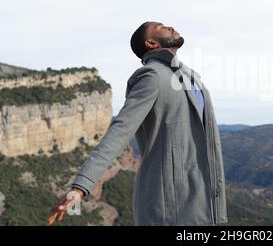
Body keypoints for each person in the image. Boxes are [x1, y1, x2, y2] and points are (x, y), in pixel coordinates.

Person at [48, 21, 227, 226]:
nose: (170, 26)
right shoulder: (152, 76)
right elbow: (120, 131)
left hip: (204, 205)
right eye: (161, 27)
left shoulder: (190, 77)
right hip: (170, 209)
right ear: (151, 43)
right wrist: (80, 186)